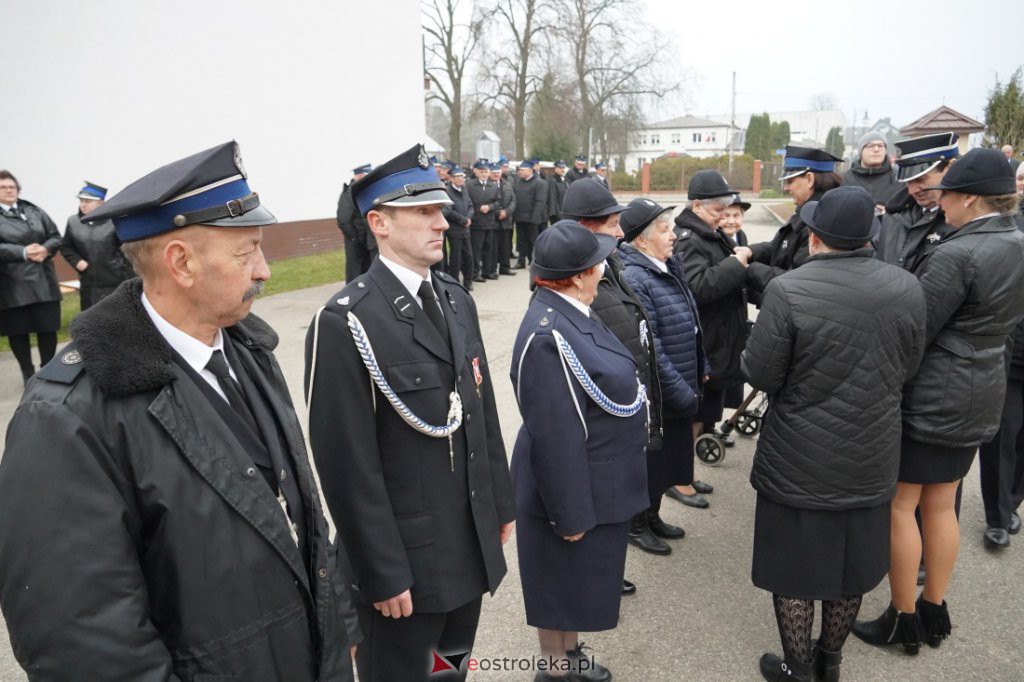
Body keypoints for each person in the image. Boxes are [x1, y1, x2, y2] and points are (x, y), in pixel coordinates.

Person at [0, 142, 359, 681]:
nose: (264, 270)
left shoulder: (247, 350)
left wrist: (339, 632)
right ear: (181, 262)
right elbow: (84, 642)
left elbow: (299, 513)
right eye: (246, 253)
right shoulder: (67, 416)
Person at [305, 144, 515, 682]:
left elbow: (481, 412)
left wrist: (499, 502)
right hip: (406, 566)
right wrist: (381, 570)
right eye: (423, 212)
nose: (442, 222)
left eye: (439, 209)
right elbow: (347, 465)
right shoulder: (347, 321)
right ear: (379, 223)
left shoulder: (455, 299)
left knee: (449, 670)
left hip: (466, 544)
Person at [743, 186, 926, 682]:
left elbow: (761, 374)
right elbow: (910, 365)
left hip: (798, 454)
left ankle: (798, 667)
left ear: (815, 237)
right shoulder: (907, 287)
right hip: (871, 450)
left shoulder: (789, 289)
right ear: (870, 237)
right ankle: (830, 661)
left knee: (794, 569)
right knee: (852, 566)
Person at [854, 148, 1024, 654]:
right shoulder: (1016, 240)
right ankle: (933, 607)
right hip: (982, 385)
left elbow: (916, 330)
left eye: (946, 195)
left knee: (901, 505)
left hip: (934, 392)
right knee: (942, 503)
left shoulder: (957, 253)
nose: (939, 203)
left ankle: (903, 617)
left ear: (969, 198)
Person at [511, 220, 648, 682]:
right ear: (577, 276)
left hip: (596, 482)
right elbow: (555, 435)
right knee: (558, 586)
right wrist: (569, 515)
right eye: (598, 263)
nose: (605, 270)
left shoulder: (572, 310)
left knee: (572, 587)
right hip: (570, 490)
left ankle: (568, 657)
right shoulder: (548, 334)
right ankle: (554, 670)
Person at [561, 178, 667, 581]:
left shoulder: (612, 264)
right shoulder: (572, 281)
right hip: (602, 424)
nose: (621, 233)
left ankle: (605, 567)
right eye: (611, 225)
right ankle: (595, 575)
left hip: (626, 406)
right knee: (597, 501)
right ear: (583, 229)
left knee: (618, 498)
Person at [618, 198, 707, 557]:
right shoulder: (636, 276)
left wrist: (701, 367)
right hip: (662, 389)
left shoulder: (666, 265)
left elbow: (690, 320)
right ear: (641, 239)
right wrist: (680, 389)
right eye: (665, 229)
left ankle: (653, 515)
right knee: (651, 464)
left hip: (679, 380)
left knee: (668, 459)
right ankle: (637, 525)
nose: (674, 235)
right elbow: (650, 345)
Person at [674, 170, 750, 474]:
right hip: (706, 340)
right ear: (696, 206)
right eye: (718, 210)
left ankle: (685, 474)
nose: (723, 217)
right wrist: (735, 265)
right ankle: (681, 479)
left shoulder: (708, 231)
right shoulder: (690, 239)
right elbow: (697, 288)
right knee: (694, 415)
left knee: (706, 411)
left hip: (717, 337)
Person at [977, 161, 1024, 548]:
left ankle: (1012, 500)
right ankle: (997, 514)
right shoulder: (1009, 228)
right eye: (1021, 177)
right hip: (1013, 353)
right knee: (1002, 433)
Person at [746, 146, 843, 297]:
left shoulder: (820, 222)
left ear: (810, 179)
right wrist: (750, 252)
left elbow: (796, 280)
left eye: (790, 181)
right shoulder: (814, 210)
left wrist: (748, 269)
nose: (786, 188)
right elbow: (784, 246)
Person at [0, 169, 63, 385]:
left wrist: (45, 249)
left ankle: (48, 371)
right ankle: (28, 373)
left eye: (12, 186)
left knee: (47, 327)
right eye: (3, 187)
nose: (9, 190)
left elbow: (55, 236)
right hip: (12, 285)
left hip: (44, 281)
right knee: (18, 331)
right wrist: (23, 252)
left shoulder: (33, 210)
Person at [875, 133, 960, 271]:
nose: (911, 191)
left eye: (921, 180)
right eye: (908, 182)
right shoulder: (894, 215)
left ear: (950, 168)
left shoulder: (965, 220)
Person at [60, 181, 135, 311]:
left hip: (114, 281)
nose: (83, 205)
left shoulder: (114, 221)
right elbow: (66, 247)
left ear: (101, 203)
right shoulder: (73, 222)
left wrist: (126, 277)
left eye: (88, 201)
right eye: (81, 201)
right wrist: (76, 261)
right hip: (89, 283)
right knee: (91, 316)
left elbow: (127, 251)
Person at [842, 131, 900, 211]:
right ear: (861, 152)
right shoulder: (844, 179)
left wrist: (888, 214)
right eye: (870, 146)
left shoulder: (899, 178)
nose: (876, 149)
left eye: (880, 146)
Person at [338, 163, 375, 281]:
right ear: (359, 176)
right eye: (366, 176)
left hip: (364, 242)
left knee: (366, 274)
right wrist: (355, 238)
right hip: (355, 244)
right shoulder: (349, 193)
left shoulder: (360, 192)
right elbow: (344, 220)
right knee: (355, 274)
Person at [468, 159, 501, 282]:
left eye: (485, 171)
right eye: (481, 172)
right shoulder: (469, 185)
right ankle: (475, 273)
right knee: (476, 249)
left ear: (489, 173)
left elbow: (498, 202)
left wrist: (490, 207)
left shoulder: (493, 186)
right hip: (476, 222)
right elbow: (468, 202)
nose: (483, 174)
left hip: (490, 222)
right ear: (477, 172)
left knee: (488, 248)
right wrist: (478, 209)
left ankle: (487, 272)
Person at [513, 159, 549, 269]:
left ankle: (534, 261)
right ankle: (521, 261)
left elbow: (540, 201)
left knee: (533, 241)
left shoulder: (539, 183)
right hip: (520, 217)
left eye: (522, 170)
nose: (519, 172)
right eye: (519, 170)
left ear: (529, 171)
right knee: (521, 241)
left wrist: (535, 218)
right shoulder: (518, 182)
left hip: (532, 218)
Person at [443, 166, 475, 290]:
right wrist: (463, 220)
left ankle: (468, 281)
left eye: (462, 176)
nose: (460, 179)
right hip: (455, 229)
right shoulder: (448, 191)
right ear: (451, 178)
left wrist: (468, 218)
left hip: (466, 229)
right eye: (457, 177)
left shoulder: (464, 189)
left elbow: (470, 205)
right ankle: (455, 282)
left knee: (468, 256)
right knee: (456, 258)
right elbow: (448, 211)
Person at [491, 163, 518, 276]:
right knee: (493, 248)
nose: (496, 174)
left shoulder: (507, 184)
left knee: (506, 246)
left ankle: (505, 268)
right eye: (494, 172)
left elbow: (513, 200)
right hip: (493, 220)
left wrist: (506, 212)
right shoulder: (487, 185)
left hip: (506, 220)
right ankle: (492, 269)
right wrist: (498, 213)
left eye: (498, 172)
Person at [548, 159, 570, 227]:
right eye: (560, 168)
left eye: (563, 168)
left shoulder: (564, 180)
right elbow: (553, 199)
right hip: (557, 215)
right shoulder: (552, 180)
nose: (562, 170)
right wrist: (559, 215)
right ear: (555, 168)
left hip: (565, 213)